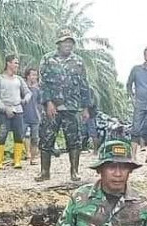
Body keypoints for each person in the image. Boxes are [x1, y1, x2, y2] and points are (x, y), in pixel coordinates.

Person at [38, 28, 91, 182]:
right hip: (52, 107)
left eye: (70, 42)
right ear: (59, 43)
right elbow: (43, 84)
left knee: (74, 140)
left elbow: (84, 85)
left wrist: (86, 107)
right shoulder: (47, 59)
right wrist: (48, 102)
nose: (68, 44)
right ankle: (44, 172)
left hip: (72, 107)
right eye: (65, 42)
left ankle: (74, 172)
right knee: (46, 138)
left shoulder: (78, 61)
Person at [0, 54, 30, 169]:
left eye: (17, 63)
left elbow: (28, 92)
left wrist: (25, 100)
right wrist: (4, 108)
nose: (17, 65)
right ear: (8, 63)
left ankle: (17, 161)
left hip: (18, 109)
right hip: (4, 110)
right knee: (2, 135)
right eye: (15, 63)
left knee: (19, 135)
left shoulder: (19, 79)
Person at [22, 67, 42, 165]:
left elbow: (39, 103)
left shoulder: (37, 89)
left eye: (36, 75)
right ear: (27, 76)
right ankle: (23, 155)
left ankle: (33, 158)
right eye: (32, 75)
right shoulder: (22, 88)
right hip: (23, 116)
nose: (34, 77)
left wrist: (40, 114)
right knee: (20, 137)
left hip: (35, 117)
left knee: (35, 138)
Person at [82, 88, 99, 156]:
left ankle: (95, 151)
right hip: (88, 117)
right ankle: (85, 148)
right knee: (85, 133)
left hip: (90, 117)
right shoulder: (92, 100)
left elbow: (91, 107)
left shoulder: (91, 101)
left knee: (93, 134)